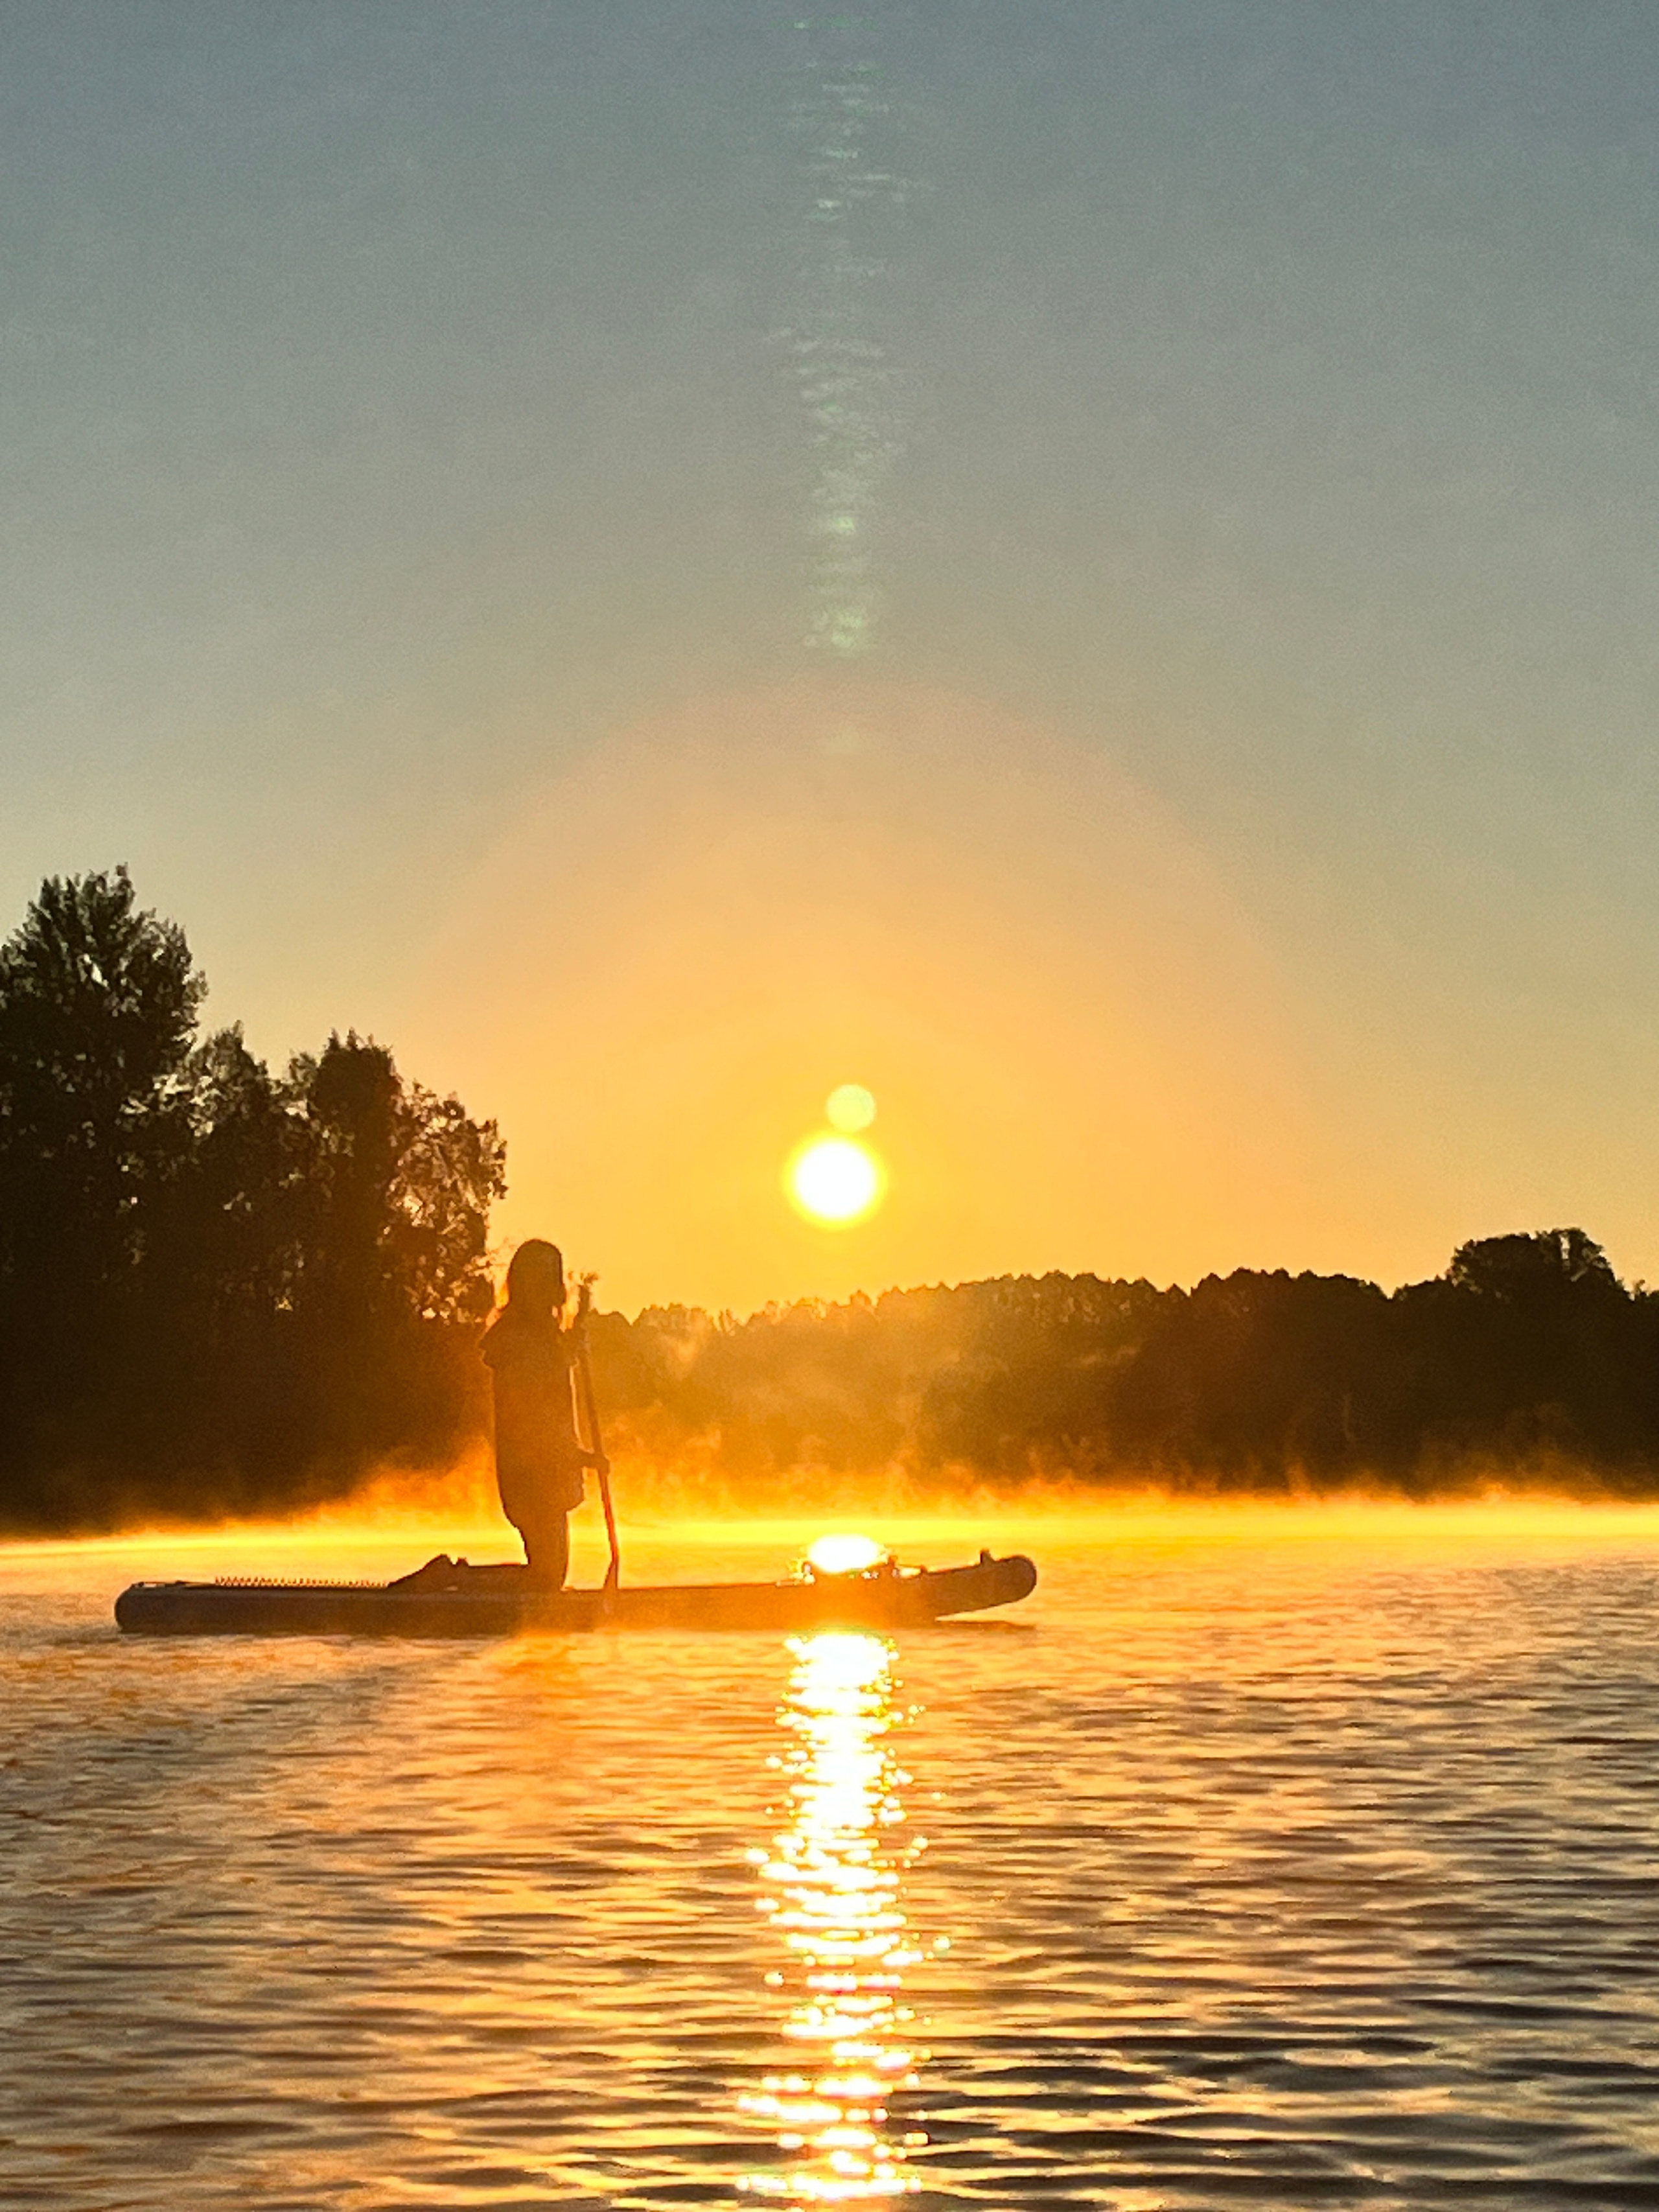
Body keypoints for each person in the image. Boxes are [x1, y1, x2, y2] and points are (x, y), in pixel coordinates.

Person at [481, 1239, 603, 1588]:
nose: (556, 1289)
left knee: (550, 1577)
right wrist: (581, 1458)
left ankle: (460, 1582)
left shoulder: (542, 1339)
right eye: (547, 1280)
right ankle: (453, 1580)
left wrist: (577, 1331)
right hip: (531, 1479)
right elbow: (533, 1420)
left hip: (547, 1477)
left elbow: (554, 1366)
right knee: (546, 1578)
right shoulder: (519, 1342)